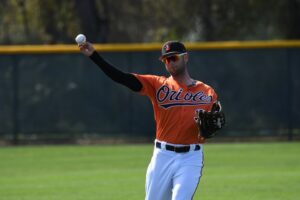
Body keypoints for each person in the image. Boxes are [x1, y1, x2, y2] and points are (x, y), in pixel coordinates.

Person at [78, 40, 225, 200]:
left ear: (186, 57)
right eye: (165, 60)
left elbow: (215, 123)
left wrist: (211, 128)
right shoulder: (157, 85)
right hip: (162, 156)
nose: (169, 63)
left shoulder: (207, 91)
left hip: (190, 158)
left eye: (173, 58)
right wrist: (94, 56)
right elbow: (122, 78)